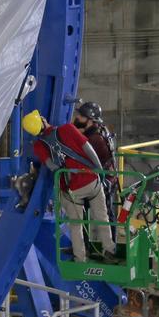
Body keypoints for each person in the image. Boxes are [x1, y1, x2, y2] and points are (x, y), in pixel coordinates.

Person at [21, 110, 115, 260]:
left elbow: (52, 166)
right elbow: (89, 149)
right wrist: (99, 171)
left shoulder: (38, 146)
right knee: (101, 217)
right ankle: (109, 249)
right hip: (91, 181)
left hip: (71, 189)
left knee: (75, 225)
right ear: (43, 120)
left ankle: (80, 258)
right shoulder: (68, 128)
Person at [74, 99, 117, 218]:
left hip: (103, 182)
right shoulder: (100, 130)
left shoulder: (95, 140)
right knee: (106, 214)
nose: (77, 117)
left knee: (104, 216)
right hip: (108, 177)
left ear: (90, 120)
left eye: (82, 116)